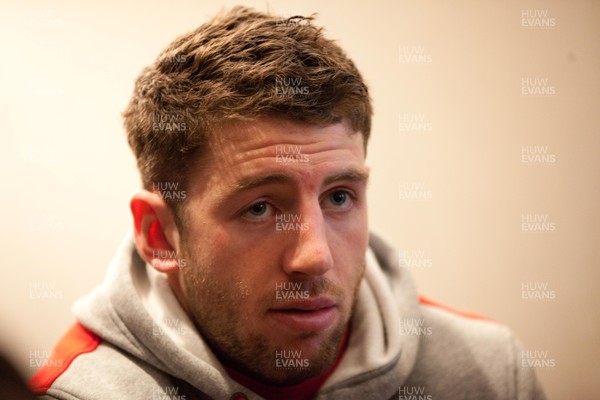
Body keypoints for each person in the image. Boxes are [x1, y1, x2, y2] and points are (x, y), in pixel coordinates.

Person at [30, 6, 546, 400]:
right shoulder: (80, 392)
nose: (314, 256)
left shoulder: (490, 372)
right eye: (260, 208)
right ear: (161, 236)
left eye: (339, 197)